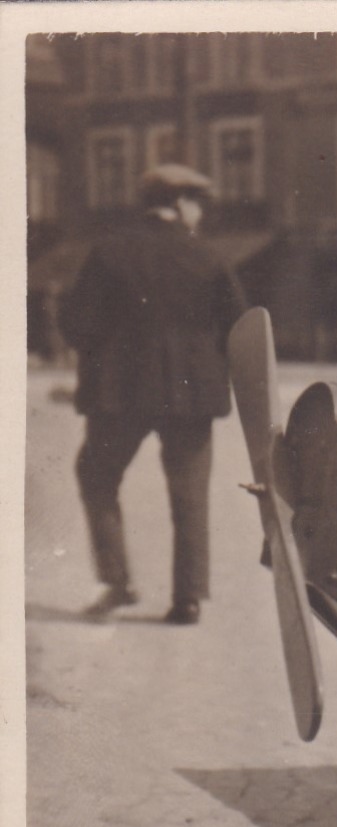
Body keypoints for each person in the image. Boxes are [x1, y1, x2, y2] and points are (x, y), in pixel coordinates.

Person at [60, 164, 248, 625]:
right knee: (189, 492)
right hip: (192, 395)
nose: (200, 213)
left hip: (117, 394)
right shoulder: (210, 257)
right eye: (198, 203)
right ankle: (187, 598)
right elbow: (241, 328)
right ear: (180, 201)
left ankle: (118, 581)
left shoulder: (108, 252)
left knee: (96, 476)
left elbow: (75, 324)